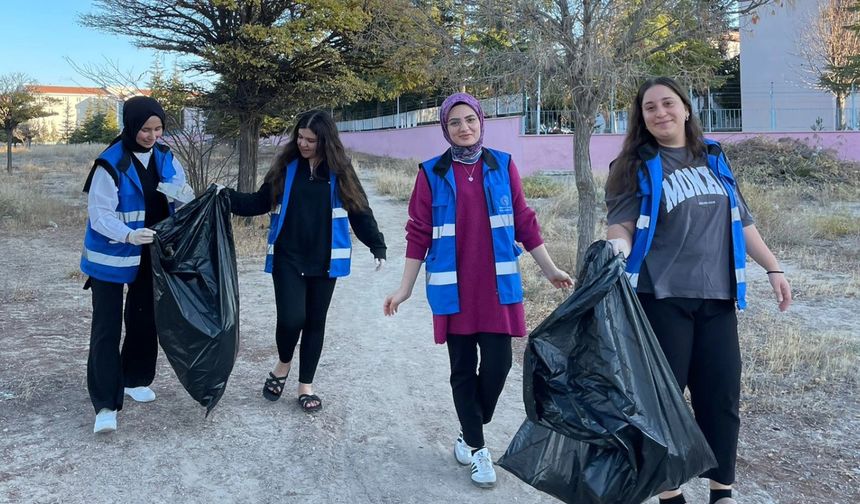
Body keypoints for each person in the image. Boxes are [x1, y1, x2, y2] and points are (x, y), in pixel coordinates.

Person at [604, 76, 792, 504]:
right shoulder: (633, 166)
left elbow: (743, 221)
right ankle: (669, 493)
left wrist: (773, 267)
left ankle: (721, 492)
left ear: (686, 108)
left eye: (668, 103)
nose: (660, 113)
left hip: (718, 297)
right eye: (650, 108)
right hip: (661, 299)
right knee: (664, 401)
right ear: (642, 118)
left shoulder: (714, 157)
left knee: (721, 398)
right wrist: (615, 248)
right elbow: (622, 225)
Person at [383, 92, 573, 489]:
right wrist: (404, 289)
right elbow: (418, 233)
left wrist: (550, 269)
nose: (464, 127)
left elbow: (524, 221)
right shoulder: (431, 173)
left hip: (497, 288)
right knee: (462, 369)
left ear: (481, 122)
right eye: (454, 122)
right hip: (454, 291)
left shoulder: (502, 164)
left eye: (470, 119)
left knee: (500, 366)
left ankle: (468, 428)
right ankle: (478, 447)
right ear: (445, 128)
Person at [224, 110, 386, 413]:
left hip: (325, 259)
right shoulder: (286, 167)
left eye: (310, 140)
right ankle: (283, 363)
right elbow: (259, 202)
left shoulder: (341, 171)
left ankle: (305, 385)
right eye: (300, 137)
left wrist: (376, 244)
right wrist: (224, 197)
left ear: (325, 141)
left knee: (314, 322)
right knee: (290, 319)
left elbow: (359, 210)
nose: (303, 144)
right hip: (288, 256)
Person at [81, 96, 190, 434]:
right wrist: (128, 235)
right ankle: (105, 403)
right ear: (130, 126)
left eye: (158, 129)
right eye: (145, 129)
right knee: (107, 327)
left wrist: (182, 195)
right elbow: (99, 215)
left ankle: (135, 377)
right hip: (111, 257)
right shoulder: (110, 163)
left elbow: (182, 195)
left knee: (145, 319)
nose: (152, 136)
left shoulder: (166, 157)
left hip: (150, 254)